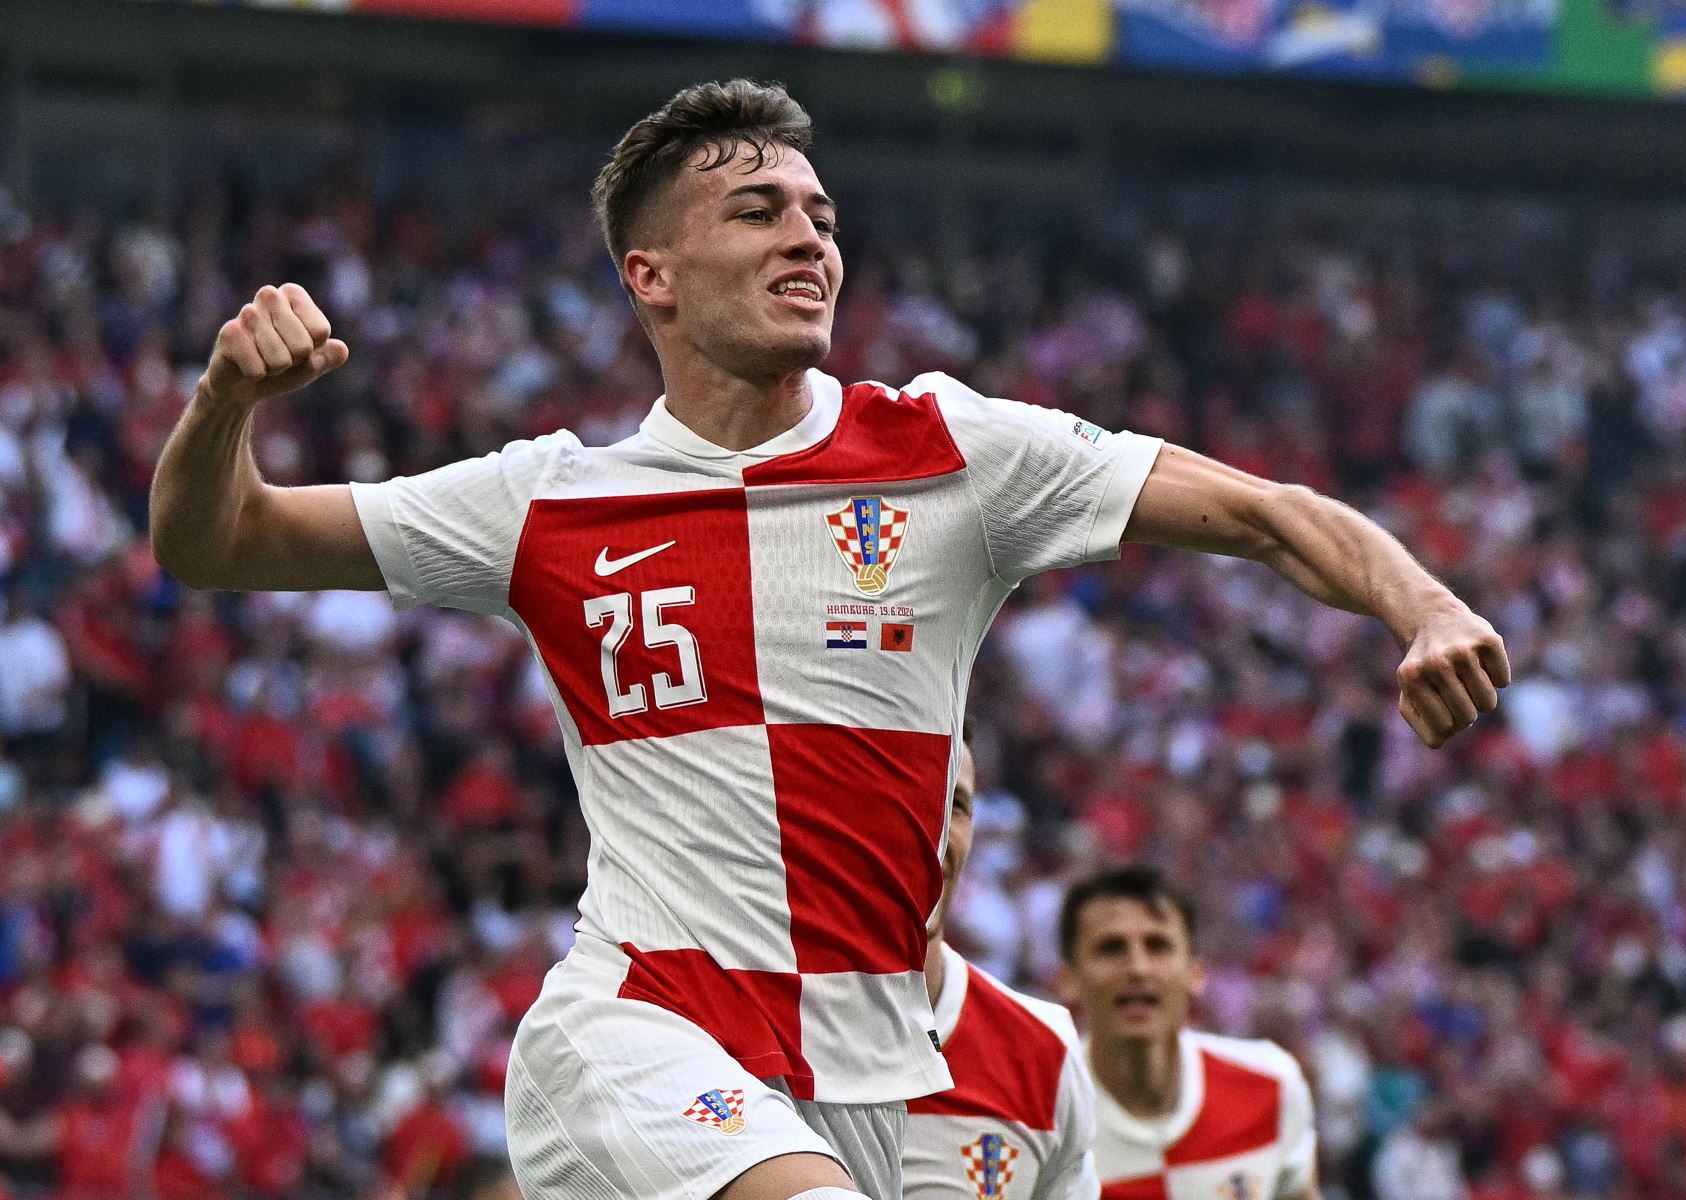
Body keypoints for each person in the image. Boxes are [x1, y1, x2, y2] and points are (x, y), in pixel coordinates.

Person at [148, 78, 1507, 1200]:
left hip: (859, 1080)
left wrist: (1425, 605)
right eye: (759, 213)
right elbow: (221, 543)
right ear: (653, 277)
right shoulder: (547, 504)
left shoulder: (957, 453)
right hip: (638, 1031)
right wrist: (223, 401)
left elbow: (1266, 513)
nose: (811, 241)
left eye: (820, 214)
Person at [903, 732, 1097, 1200]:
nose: (935, 830)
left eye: (957, 806)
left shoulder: (1043, 1050)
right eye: (911, 795)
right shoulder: (756, 1035)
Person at [1059, 867, 1320, 1200]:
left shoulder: (1270, 1083)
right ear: (1068, 980)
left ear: (1195, 973)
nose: (1138, 968)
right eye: (1111, 948)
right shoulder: (1044, 1113)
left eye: (1158, 945)